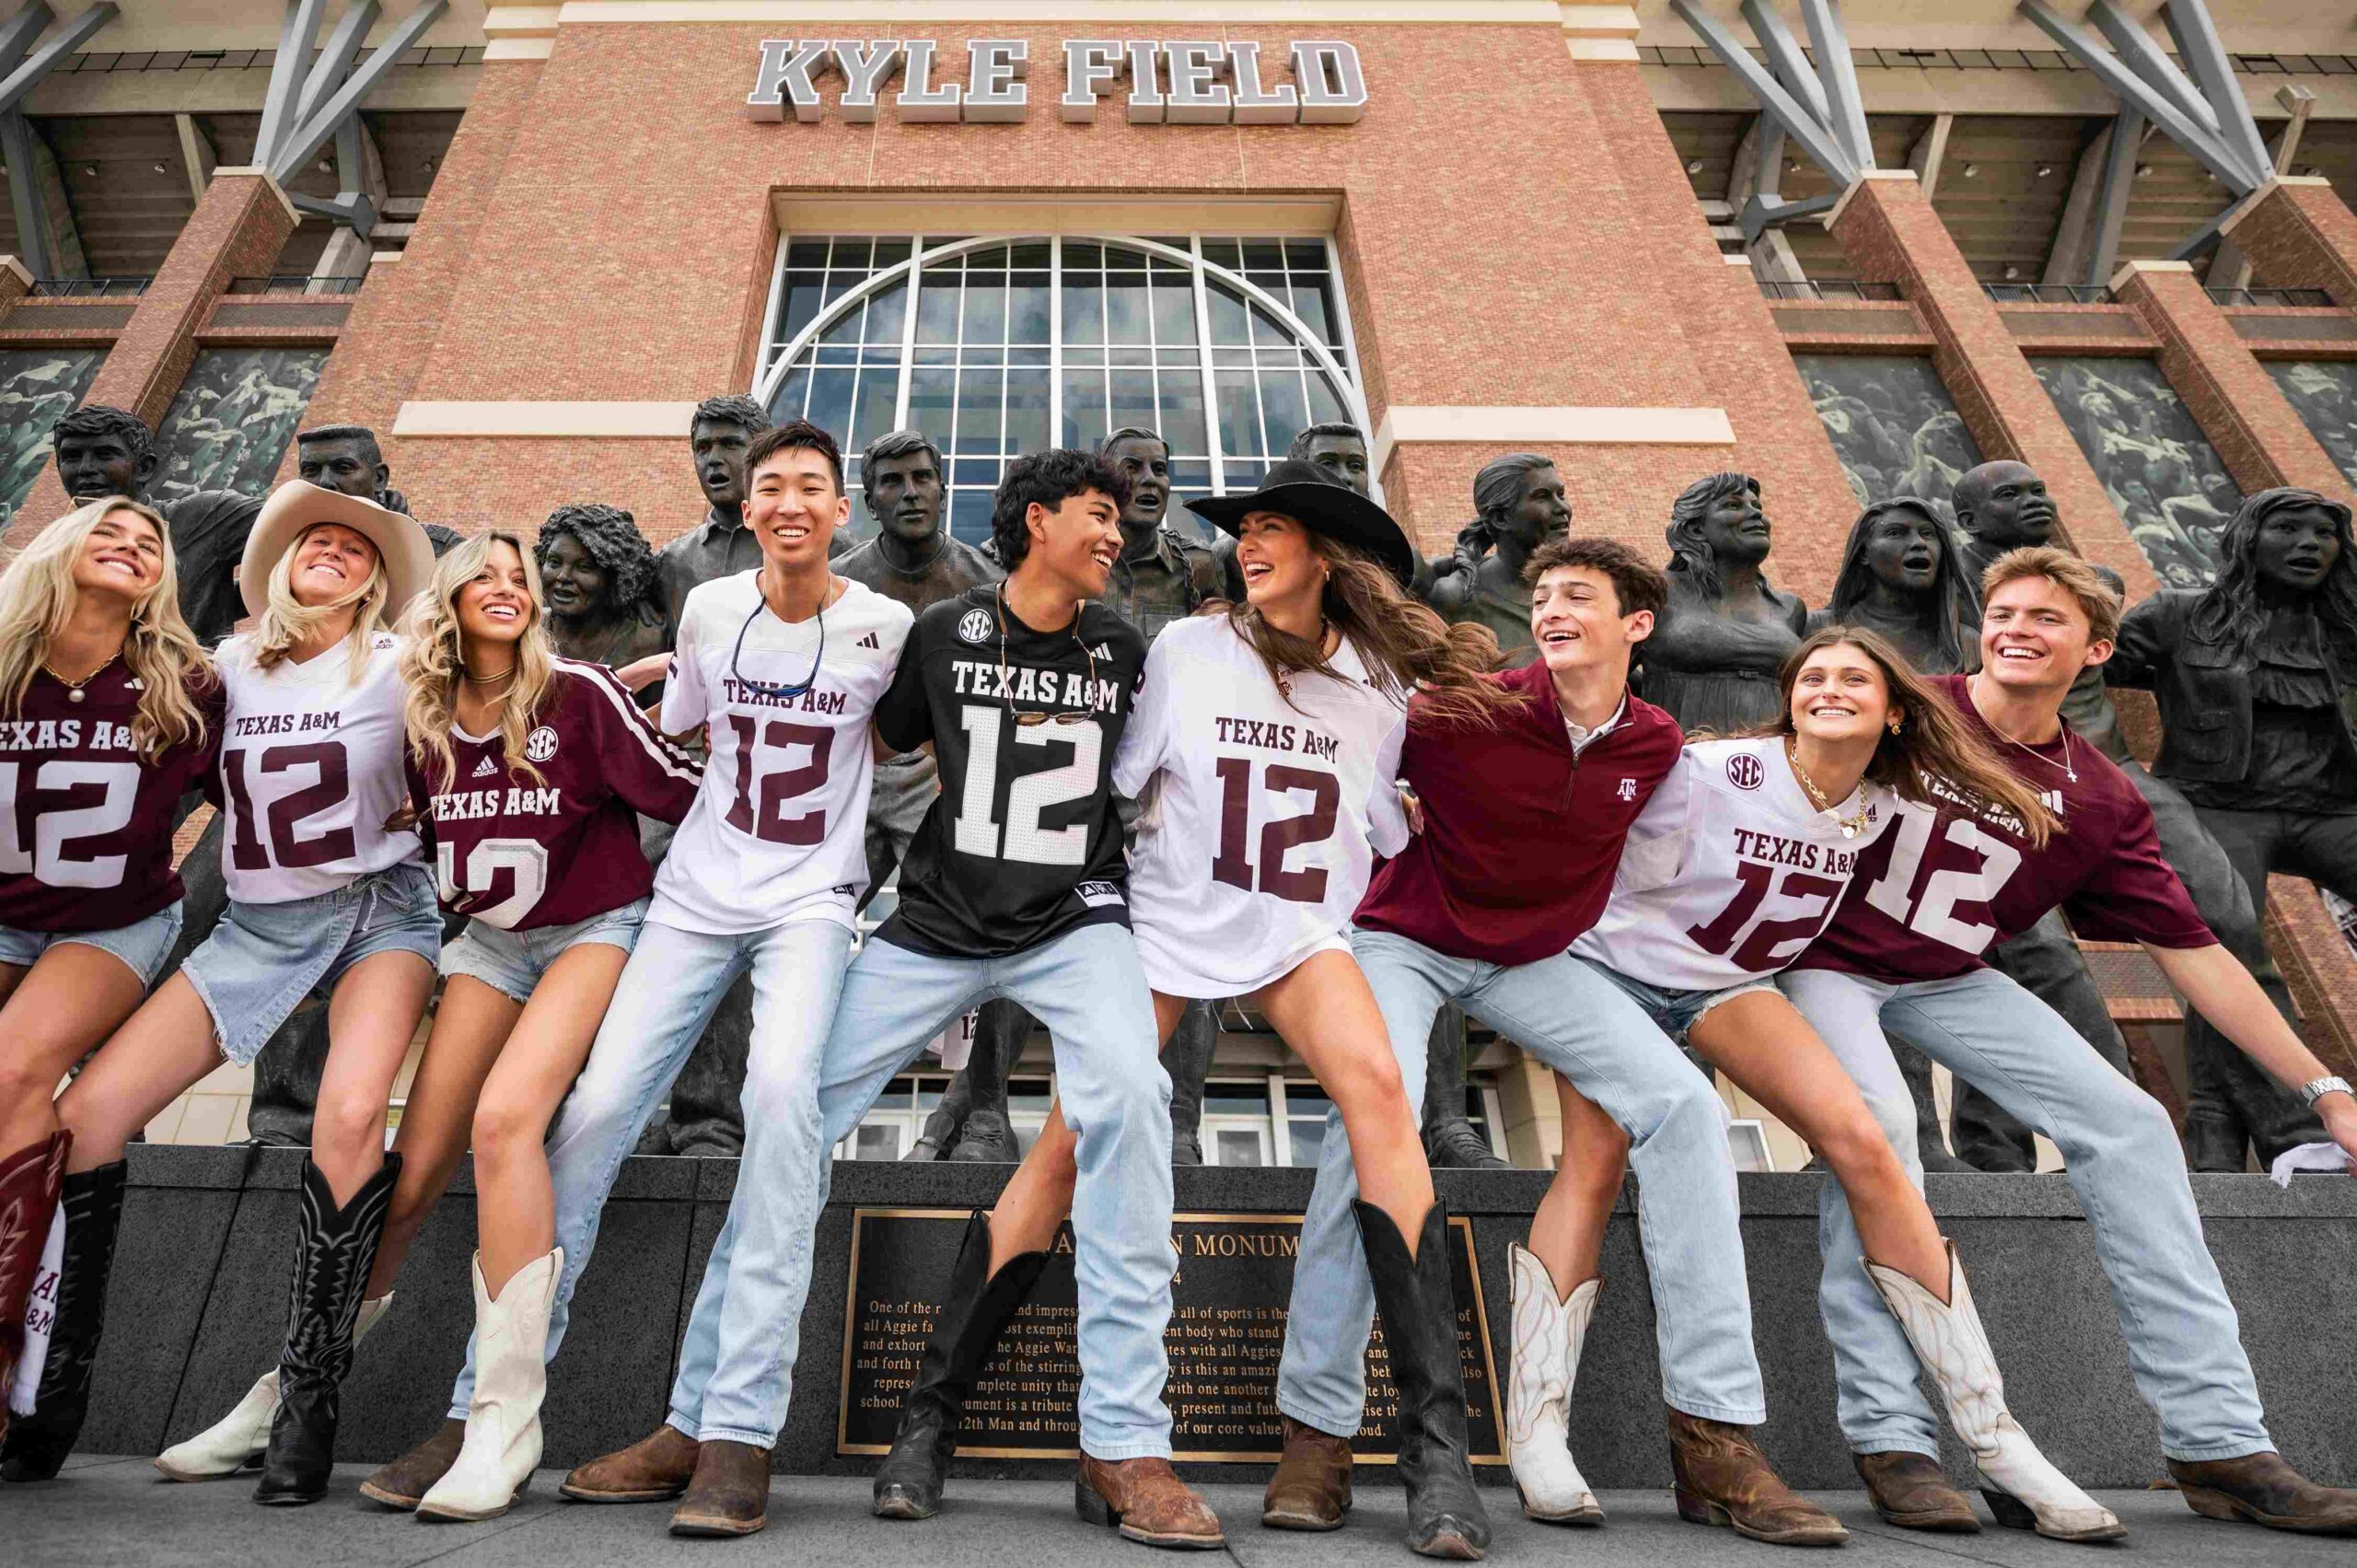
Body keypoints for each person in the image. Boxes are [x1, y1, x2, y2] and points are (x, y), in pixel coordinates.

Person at [866, 458, 1512, 1560]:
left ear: (1327, 553)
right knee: (1068, 1141)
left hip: (1296, 930)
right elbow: (1108, 784)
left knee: (1380, 1098)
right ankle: (929, 1418)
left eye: (1272, 530)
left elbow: (1398, 819)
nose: (1247, 544)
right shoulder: (1186, 646)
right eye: (1244, 530)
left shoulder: (1382, 684)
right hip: (1165, 925)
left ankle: (1434, 1455)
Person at [633, 447, 1212, 1546]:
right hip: (933, 921)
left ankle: (1127, 1436)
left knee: (1132, 1104)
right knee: (787, 1116)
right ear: (1035, 520)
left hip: (1072, 919)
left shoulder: (1125, 646)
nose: (1115, 530)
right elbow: (875, 732)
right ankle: (708, 1421)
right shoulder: (942, 631)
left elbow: (1152, 783)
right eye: (1096, 513)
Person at [368, 421, 913, 1529]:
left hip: (812, 901)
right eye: (772, 488)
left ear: (840, 510)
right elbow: (679, 742)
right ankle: (488, 1404)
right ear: (751, 510)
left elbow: (908, 750)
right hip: (695, 897)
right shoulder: (711, 608)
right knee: (595, 1109)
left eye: (813, 485)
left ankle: (737, 1424)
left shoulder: (887, 625)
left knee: (779, 1104)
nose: (792, 501)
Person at [1275, 536, 1841, 1548]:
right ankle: (1315, 1432)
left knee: (1679, 1106)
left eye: (1577, 594)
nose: (1549, 608)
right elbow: (1345, 757)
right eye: (1540, 595)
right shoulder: (1463, 709)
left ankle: (1714, 1435)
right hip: (1404, 937)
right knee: (1378, 1114)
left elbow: (1688, 860)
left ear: (1636, 623)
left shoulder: (1655, 743)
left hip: (1538, 957)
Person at [1780, 547, 2357, 1538]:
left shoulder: (2100, 796)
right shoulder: (1907, 703)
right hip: (1820, 957)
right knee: (1875, 1126)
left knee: (2132, 1124)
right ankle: (1891, 1433)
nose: (2015, 627)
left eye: (2045, 618)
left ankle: (2217, 1437)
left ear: (2092, 649)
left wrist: (2321, 1084)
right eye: (2002, 610)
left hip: (1947, 971)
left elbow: (2196, 952)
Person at [152, 533, 701, 1516]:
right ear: (444, 601)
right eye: (481, 575)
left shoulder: (579, 691)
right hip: (486, 945)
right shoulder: (418, 713)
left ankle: (503, 1417)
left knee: (504, 1123)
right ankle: (289, 1389)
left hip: (593, 929)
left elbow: (684, 789)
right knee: (406, 1179)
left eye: (518, 577)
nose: (505, 587)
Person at [1553, 628, 2119, 1541]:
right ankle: (1643, 1439)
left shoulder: (1891, 808)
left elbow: (1986, 877)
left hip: (1722, 985)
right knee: (1603, 1155)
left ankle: (1995, 1434)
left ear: (1893, 709)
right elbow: (1581, 806)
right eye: (1810, 675)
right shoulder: (1718, 769)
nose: (1827, 686)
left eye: (1852, 677)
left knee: (1865, 1139)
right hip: (1605, 970)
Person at [33, 482, 440, 1499]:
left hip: (381, 913)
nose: (335, 552)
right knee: (86, 1113)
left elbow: (505, 698)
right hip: (258, 923)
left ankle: (307, 1395)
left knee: (347, 1117)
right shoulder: (221, 672)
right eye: (318, 541)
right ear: (278, 566)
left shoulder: (398, 668)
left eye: (356, 548)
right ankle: (49, 1384)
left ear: (375, 582)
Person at [0, 498, 218, 1475]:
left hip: (113, 918)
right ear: (62, 549)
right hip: (6, 907)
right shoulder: (6, 662)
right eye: (110, 533)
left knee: (13, 1068)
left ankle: (7, 1359)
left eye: (150, 543)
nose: (133, 546)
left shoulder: (185, 681)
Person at [2106, 487, 2353, 1169]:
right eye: (2289, 528)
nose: (2310, 544)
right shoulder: (2179, 616)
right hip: (2217, 804)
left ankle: (2213, 1125)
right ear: (2247, 536)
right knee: (2227, 940)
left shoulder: (2347, 631)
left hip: (2336, 808)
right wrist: (2119, 773)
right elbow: (2087, 670)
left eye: (2324, 533)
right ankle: (2293, 1129)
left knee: (2219, 945)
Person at [1634, 470, 1808, 735]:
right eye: (1733, 505)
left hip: (1771, 763)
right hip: (1678, 761)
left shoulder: (1790, 608)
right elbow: (1608, 676)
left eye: (1757, 507)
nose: (1755, 514)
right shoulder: (1655, 590)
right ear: (1695, 528)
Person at [536, 504, 669, 671]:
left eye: (584, 567)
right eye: (554, 562)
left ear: (616, 577)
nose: (563, 576)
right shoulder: (527, 630)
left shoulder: (645, 641)